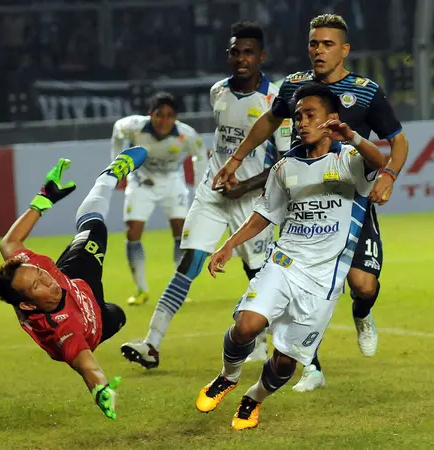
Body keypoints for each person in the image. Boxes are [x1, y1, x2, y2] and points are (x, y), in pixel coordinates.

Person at [212, 13, 410, 392]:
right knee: (294, 280)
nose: (318, 50)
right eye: (314, 43)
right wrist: (236, 159)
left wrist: (388, 176)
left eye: (327, 44)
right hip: (302, 201)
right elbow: (268, 122)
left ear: (345, 50)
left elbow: (398, 141)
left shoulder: (366, 91)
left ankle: (363, 313)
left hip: (349, 200)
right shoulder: (296, 86)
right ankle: (311, 367)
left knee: (364, 285)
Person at [195, 83, 389, 430]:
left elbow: (382, 161)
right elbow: (265, 214)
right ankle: (228, 375)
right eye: (297, 116)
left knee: (285, 363)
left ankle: (253, 399)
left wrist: (354, 136)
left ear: (331, 119)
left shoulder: (348, 160)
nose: (300, 122)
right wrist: (227, 246)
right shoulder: (285, 166)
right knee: (246, 326)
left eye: (309, 114)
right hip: (285, 263)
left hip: (323, 279)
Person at [120, 21, 291, 369]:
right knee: (189, 264)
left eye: (248, 52)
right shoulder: (218, 92)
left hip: (252, 200)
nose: (240, 58)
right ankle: (151, 344)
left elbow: (285, 162)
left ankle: (261, 341)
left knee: (257, 271)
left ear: (261, 56)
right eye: (235, 52)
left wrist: (244, 185)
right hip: (213, 194)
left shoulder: (277, 102)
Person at [0, 147, 146, 420]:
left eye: (40, 273)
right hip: (95, 322)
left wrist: (42, 200)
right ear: (27, 303)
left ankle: (108, 177)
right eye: (37, 284)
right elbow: (87, 365)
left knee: (95, 229)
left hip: (76, 279)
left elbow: (9, 244)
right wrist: (101, 389)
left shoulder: (37, 273)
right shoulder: (62, 329)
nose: (47, 281)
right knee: (118, 315)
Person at [111, 92, 207, 307]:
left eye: (169, 115)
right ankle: (140, 289)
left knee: (180, 231)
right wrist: (117, 166)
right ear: (150, 115)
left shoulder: (186, 134)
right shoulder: (134, 126)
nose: (164, 121)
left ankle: (179, 288)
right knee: (133, 232)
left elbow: (200, 156)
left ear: (176, 117)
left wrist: (201, 187)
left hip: (173, 181)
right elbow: (117, 130)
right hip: (141, 181)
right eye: (159, 115)